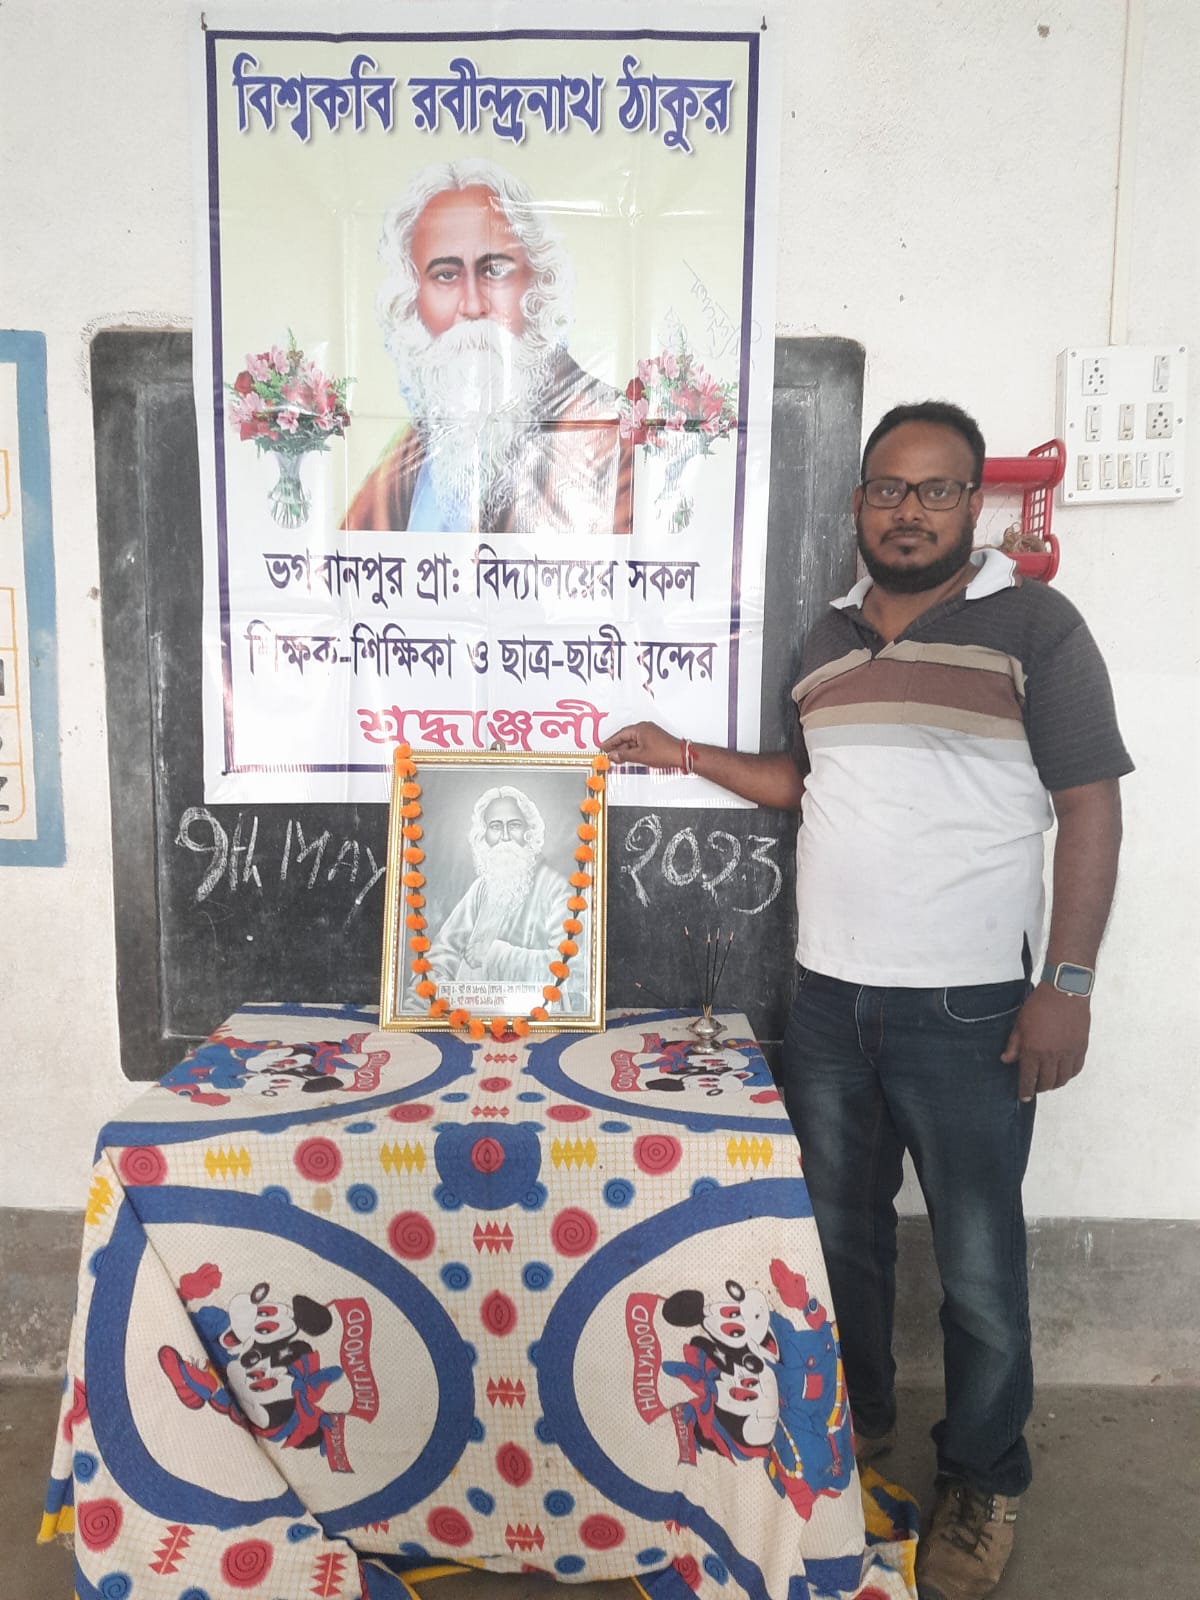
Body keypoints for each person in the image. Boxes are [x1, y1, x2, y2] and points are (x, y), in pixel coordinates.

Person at [602, 400, 1132, 1600]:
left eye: (937, 490)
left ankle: (984, 1477)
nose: (910, 511)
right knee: (838, 1240)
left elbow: (1090, 803)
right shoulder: (827, 638)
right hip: (831, 1003)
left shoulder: (1036, 628)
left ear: (973, 505)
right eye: (889, 488)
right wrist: (685, 754)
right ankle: (855, 1430)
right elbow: (809, 781)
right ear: (860, 504)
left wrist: (1068, 983)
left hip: (972, 1008)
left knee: (978, 1266)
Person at [343, 159, 632, 536]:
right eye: (446, 275)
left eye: (495, 270)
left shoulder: (611, 437)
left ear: (539, 282)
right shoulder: (416, 448)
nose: (474, 304)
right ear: (412, 300)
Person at [422, 786, 582, 1011]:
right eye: (495, 827)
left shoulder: (556, 889)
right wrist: (432, 998)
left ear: (529, 832)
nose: (505, 836)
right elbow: (443, 951)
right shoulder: (482, 888)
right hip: (471, 1012)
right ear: (484, 835)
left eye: (514, 825)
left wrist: (495, 955)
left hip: (537, 1012)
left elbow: (572, 968)